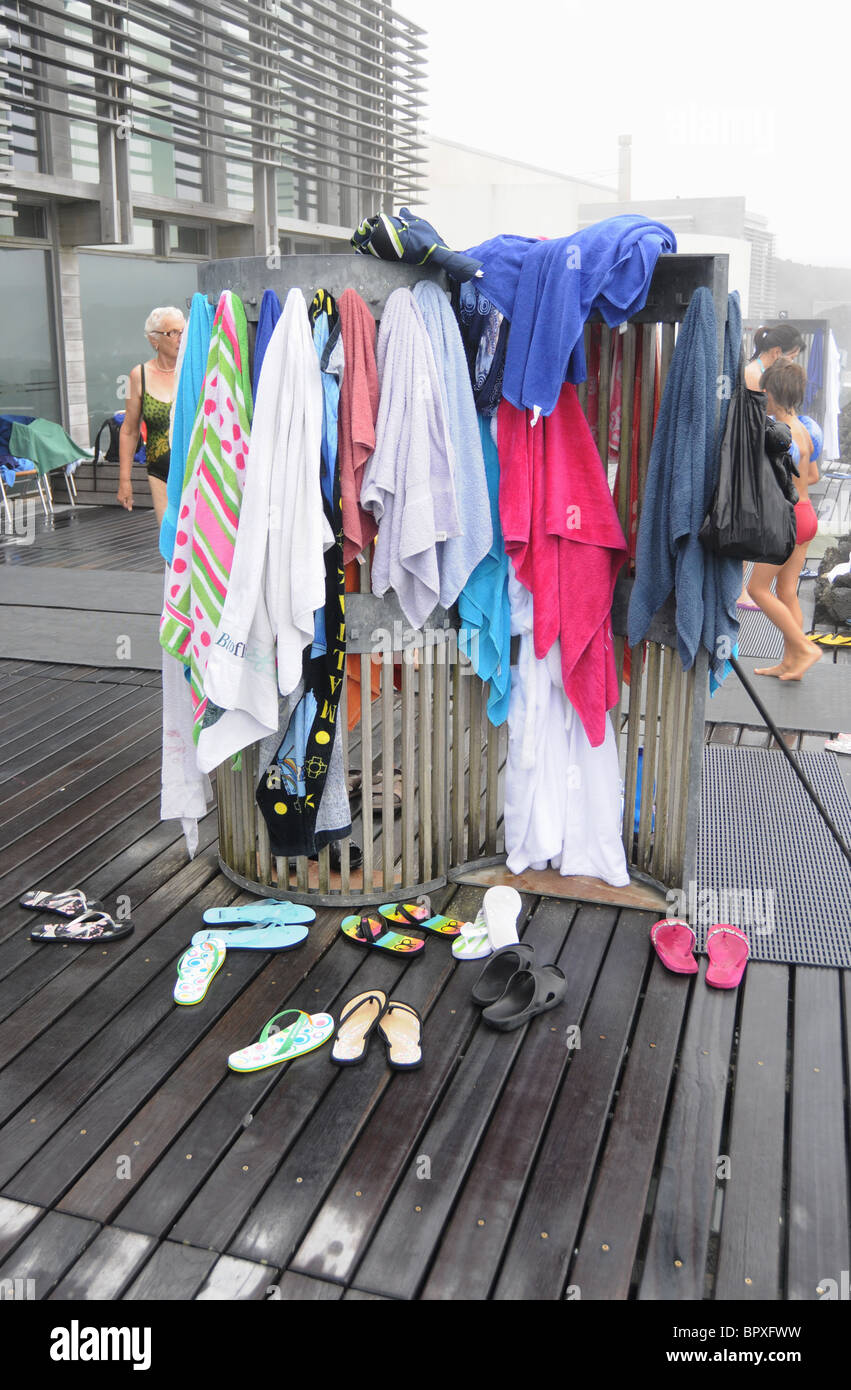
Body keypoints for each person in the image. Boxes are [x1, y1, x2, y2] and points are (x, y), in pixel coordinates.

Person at [751, 360, 821, 681]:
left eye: (764, 390)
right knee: (787, 591)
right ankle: (791, 661)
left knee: (757, 588)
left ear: (774, 393)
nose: (762, 395)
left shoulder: (784, 432)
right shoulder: (803, 427)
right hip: (806, 516)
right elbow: (814, 475)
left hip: (789, 519)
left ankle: (804, 648)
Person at [738, 322, 806, 606]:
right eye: (790, 357)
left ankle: (740, 588)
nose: (790, 363)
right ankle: (740, 589)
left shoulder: (757, 371)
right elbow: (754, 424)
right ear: (777, 351)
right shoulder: (755, 375)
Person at [117, 306, 185, 528]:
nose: (180, 338)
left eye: (183, 332)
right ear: (154, 339)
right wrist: (124, 480)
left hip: (195, 468)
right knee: (170, 542)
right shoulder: (138, 376)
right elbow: (129, 429)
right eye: (172, 333)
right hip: (160, 472)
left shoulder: (193, 370)